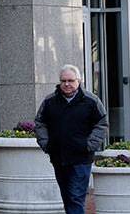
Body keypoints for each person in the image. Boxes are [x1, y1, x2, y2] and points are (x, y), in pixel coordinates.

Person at [35, 64, 108, 214]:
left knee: (75, 197)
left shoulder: (91, 101)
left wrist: (89, 145)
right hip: (58, 157)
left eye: (70, 80)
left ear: (79, 81)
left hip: (81, 158)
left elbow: (102, 123)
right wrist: (46, 144)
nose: (67, 84)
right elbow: (40, 123)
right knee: (67, 196)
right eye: (63, 81)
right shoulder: (50, 102)